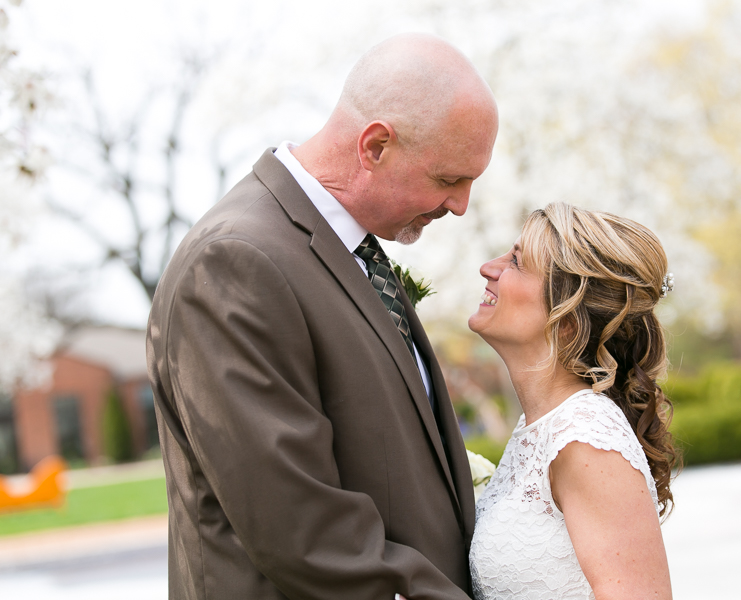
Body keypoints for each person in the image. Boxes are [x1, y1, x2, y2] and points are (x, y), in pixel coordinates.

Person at [146, 34, 499, 599]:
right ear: (376, 145)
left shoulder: (351, 248)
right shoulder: (234, 263)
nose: (460, 205)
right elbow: (303, 530)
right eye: (448, 179)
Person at [467, 203, 678, 599]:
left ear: (566, 321)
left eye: (516, 261)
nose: (488, 268)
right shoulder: (542, 426)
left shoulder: (584, 437)